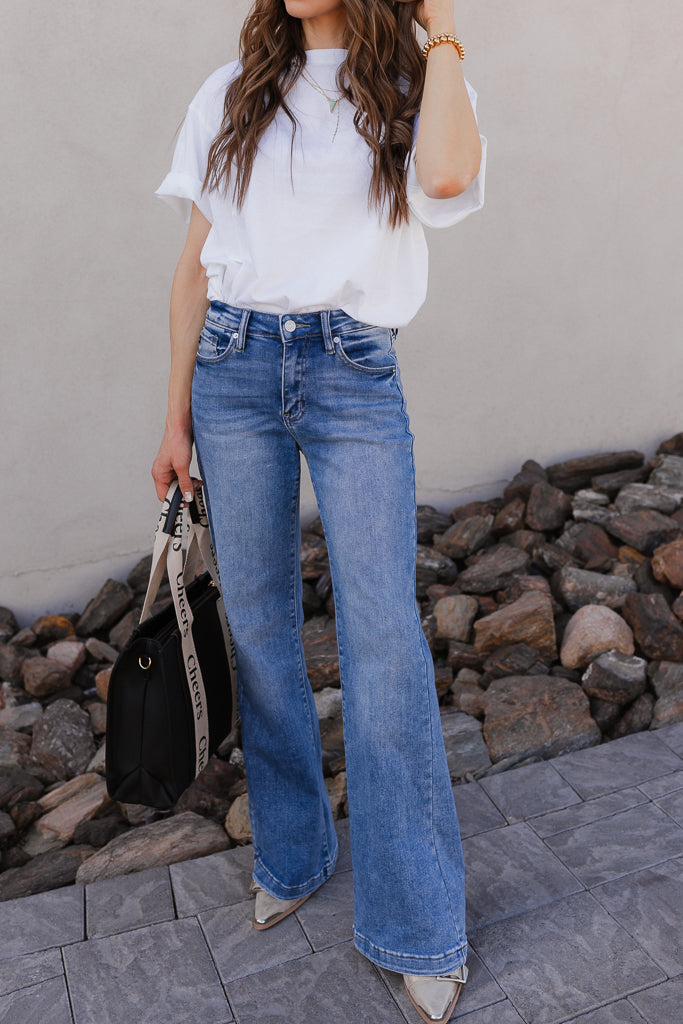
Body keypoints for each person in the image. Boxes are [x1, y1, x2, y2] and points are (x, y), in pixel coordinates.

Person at [152, 1, 486, 1020]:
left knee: (383, 638)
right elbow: (193, 270)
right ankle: (293, 853)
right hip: (232, 373)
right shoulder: (232, 91)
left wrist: (444, 37)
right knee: (256, 626)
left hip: (350, 373)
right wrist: (173, 420)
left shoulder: (409, 88)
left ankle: (418, 923)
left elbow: (441, 178)